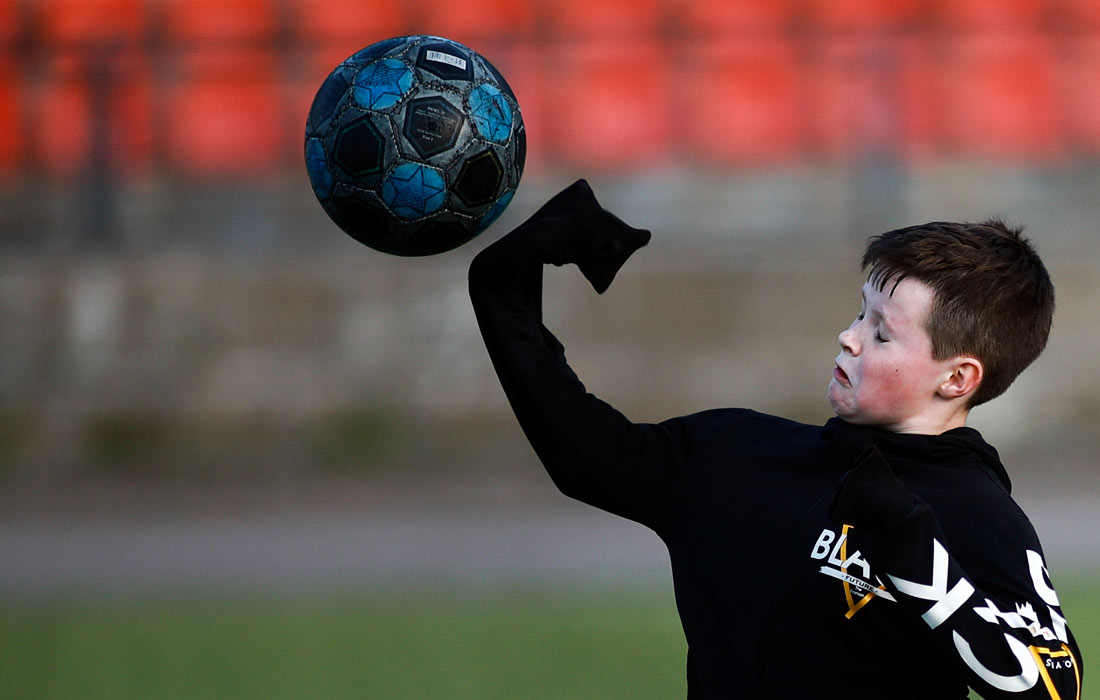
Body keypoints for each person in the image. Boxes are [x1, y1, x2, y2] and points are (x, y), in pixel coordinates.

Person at [468, 179, 1083, 699]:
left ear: (957, 378)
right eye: (858, 313)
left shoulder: (974, 514)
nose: (849, 338)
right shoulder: (740, 451)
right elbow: (589, 457)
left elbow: (1056, 686)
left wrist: (916, 557)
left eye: (883, 334)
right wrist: (504, 292)